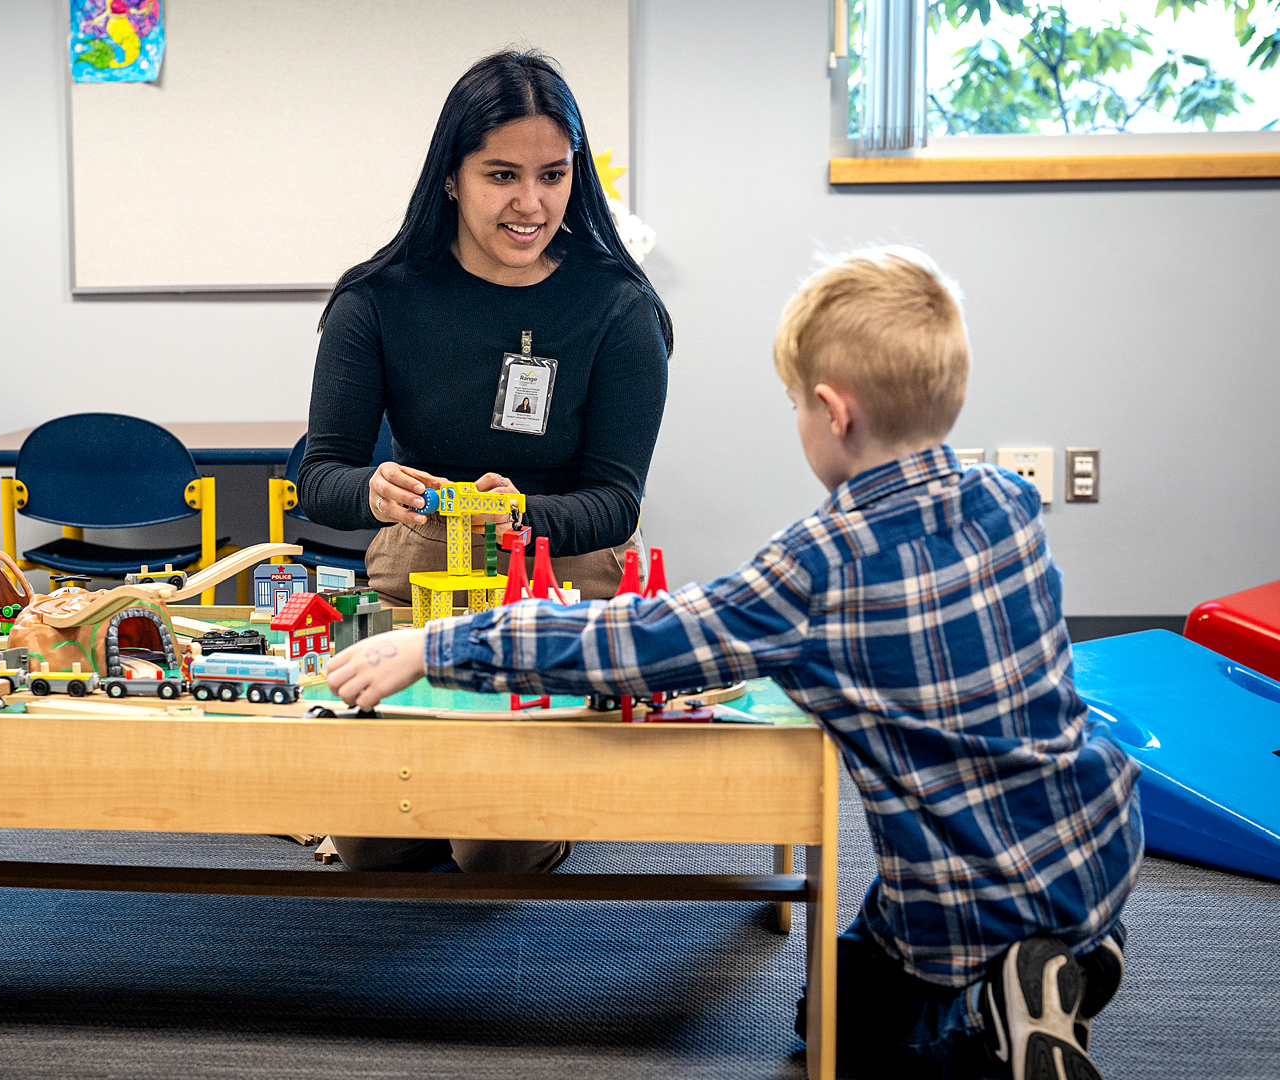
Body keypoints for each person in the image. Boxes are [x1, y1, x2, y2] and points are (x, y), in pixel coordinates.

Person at [325, 247, 1141, 1079]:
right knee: (862, 972)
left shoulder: (818, 567)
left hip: (952, 894)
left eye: (794, 404)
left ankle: (995, 1000)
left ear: (833, 412)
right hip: (1096, 844)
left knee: (844, 1034)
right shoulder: (1008, 501)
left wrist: (436, 645)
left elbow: (632, 641)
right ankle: (1067, 956)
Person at [300, 49, 671, 876]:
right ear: (452, 177)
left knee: (491, 850)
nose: (530, 203)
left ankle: (548, 804)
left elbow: (616, 501)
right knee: (372, 845)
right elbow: (319, 474)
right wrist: (373, 488)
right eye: (502, 174)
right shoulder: (377, 299)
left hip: (560, 582)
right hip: (416, 579)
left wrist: (522, 515)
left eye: (552, 174)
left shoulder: (618, 306)